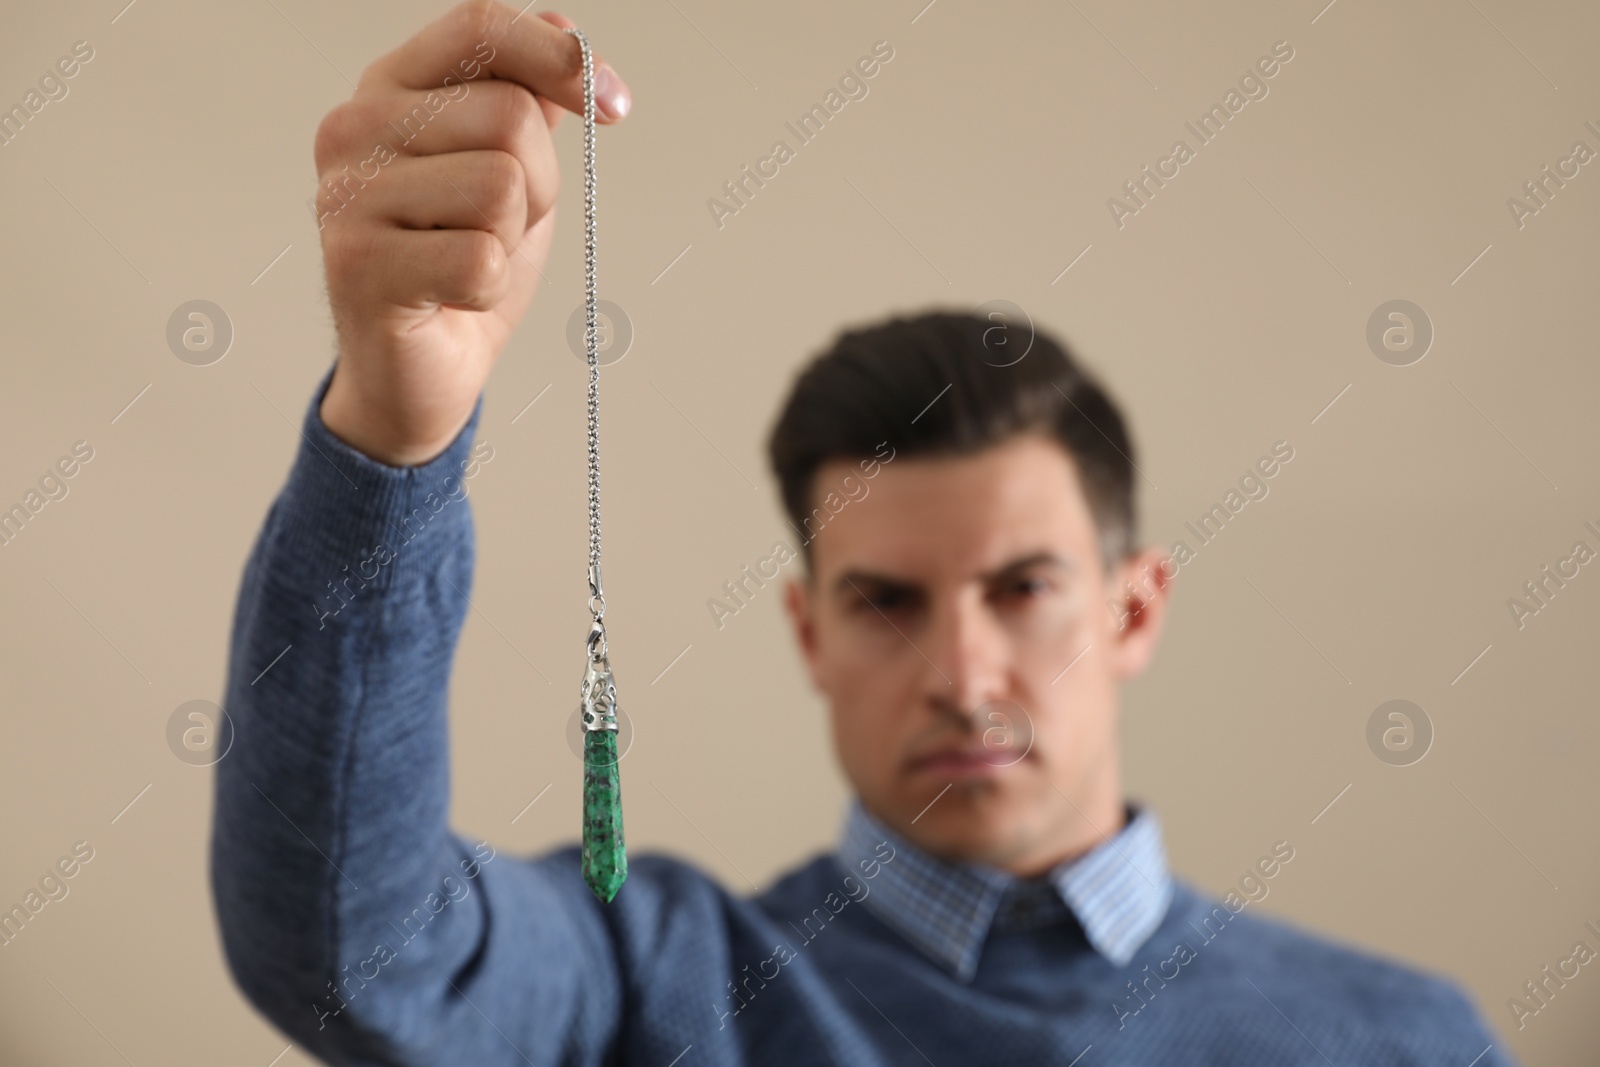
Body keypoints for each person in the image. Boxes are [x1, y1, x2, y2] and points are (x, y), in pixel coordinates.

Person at [210, 3, 1512, 1063]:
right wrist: (395, 421)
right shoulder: (654, 989)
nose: (961, 672)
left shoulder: (1398, 1041)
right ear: (810, 629)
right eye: (889, 600)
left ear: (1133, 609)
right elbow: (352, 953)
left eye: (1024, 590)